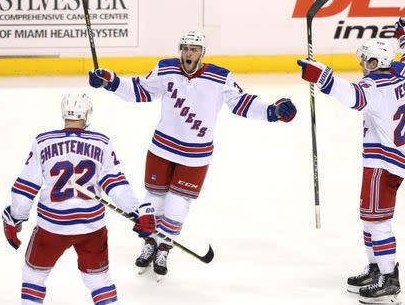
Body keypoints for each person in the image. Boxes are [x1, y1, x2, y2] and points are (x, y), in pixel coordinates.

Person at [88, 31, 297, 279]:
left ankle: (164, 246)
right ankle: (150, 242)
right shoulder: (165, 69)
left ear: (202, 53)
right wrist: (110, 81)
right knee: (154, 200)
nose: (189, 53)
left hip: (195, 155)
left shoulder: (220, 77)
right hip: (161, 148)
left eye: (194, 49)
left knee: (177, 204)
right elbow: (141, 90)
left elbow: (242, 103)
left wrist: (272, 111)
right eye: (186, 48)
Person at [297, 17, 405, 304]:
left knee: (378, 222)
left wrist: (322, 75)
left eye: (367, 60)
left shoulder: (374, 87)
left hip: (384, 162)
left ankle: (389, 280)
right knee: (369, 217)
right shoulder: (403, 73)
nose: (363, 64)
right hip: (395, 157)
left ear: (377, 62)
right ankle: (377, 268)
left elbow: (353, 96)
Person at [2, 90, 156, 304]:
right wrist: (137, 212)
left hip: (52, 227)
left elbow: (25, 187)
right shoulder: (101, 143)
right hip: (91, 228)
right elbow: (116, 184)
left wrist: (15, 217)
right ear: (87, 115)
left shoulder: (43, 142)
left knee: (33, 277)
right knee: (99, 281)